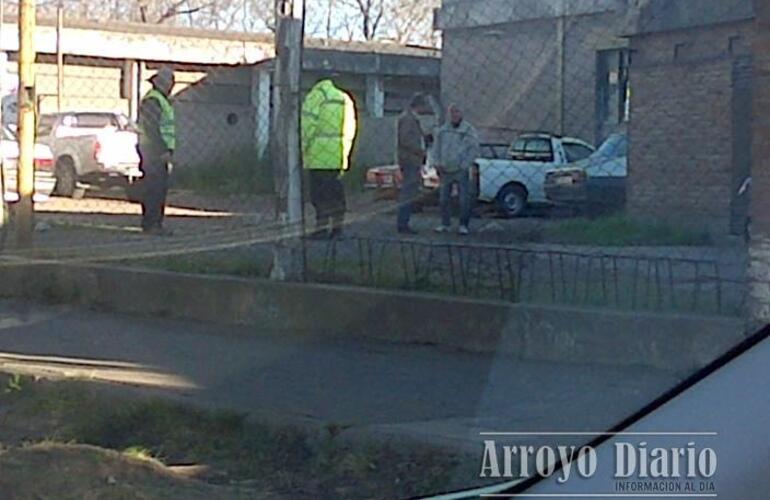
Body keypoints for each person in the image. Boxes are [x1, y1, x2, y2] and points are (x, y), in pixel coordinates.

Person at [301, 79, 357, 239]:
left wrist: (304, 149)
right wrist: (345, 154)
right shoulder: (344, 98)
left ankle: (321, 228)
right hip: (338, 156)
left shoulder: (316, 96)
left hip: (317, 156)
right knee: (336, 194)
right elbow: (350, 129)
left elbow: (307, 126)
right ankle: (337, 229)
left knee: (319, 196)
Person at [137, 66, 176, 235]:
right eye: (169, 82)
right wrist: (162, 150)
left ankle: (153, 223)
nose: (171, 86)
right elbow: (152, 128)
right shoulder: (154, 100)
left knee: (157, 188)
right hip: (152, 150)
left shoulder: (160, 99)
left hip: (153, 149)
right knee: (155, 188)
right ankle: (152, 224)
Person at [434, 105, 479, 235]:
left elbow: (473, 149)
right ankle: (445, 223)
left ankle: (463, 225)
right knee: (443, 199)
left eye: (457, 112)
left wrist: (465, 164)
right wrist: (437, 163)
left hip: (461, 170)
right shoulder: (442, 130)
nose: (454, 115)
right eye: (452, 112)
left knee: (463, 199)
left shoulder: (468, 130)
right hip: (445, 169)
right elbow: (436, 148)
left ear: (462, 114)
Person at [396, 94, 430, 235]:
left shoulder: (410, 118)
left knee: (410, 190)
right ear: (419, 105)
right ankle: (403, 223)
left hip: (410, 158)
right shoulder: (409, 119)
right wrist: (420, 151)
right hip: (410, 159)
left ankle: (404, 221)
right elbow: (405, 140)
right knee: (408, 191)